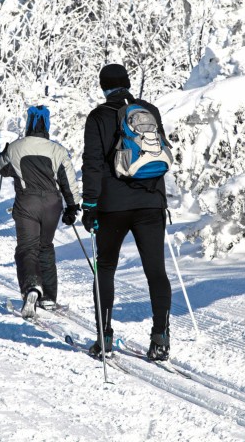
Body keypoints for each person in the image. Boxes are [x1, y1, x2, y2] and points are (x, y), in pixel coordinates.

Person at [81, 63, 173, 361]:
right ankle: (160, 338)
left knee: (105, 268)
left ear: (103, 86)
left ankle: (105, 336)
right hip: (151, 202)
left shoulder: (98, 117)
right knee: (156, 271)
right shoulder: (149, 111)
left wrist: (90, 205)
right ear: (128, 83)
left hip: (112, 205)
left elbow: (92, 162)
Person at [0, 106, 81, 319]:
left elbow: (1, 168)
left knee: (27, 248)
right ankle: (49, 297)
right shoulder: (57, 150)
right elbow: (68, 181)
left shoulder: (16, 147)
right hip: (52, 204)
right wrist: (73, 207)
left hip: (27, 202)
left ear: (28, 123)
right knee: (46, 247)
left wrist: (4, 151)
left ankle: (32, 287)